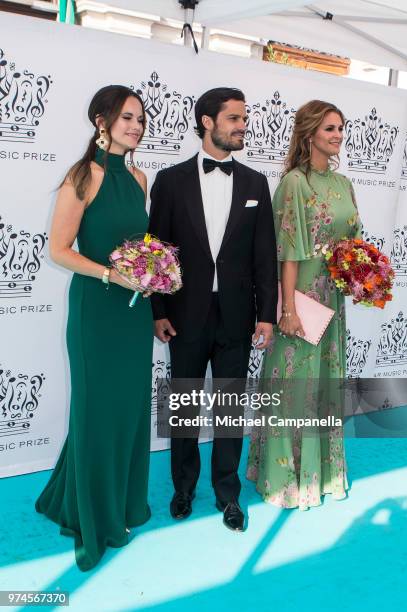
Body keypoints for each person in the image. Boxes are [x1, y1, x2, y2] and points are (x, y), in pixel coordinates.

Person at [149, 87, 278, 532]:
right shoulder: (169, 180)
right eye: (234, 119)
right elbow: (157, 252)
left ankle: (229, 494)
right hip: (185, 313)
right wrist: (158, 310)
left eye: (245, 119)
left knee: (228, 406)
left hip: (238, 314)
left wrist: (267, 314)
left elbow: (265, 254)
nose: (243, 126)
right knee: (183, 403)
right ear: (207, 122)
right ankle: (183, 488)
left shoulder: (256, 183)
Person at [35, 85, 153, 571]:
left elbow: (139, 246)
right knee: (95, 411)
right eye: (127, 117)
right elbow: (59, 249)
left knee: (127, 411)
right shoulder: (84, 175)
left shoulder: (141, 177)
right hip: (96, 311)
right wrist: (110, 274)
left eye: (141, 119)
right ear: (101, 121)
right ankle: (93, 516)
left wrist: (151, 273)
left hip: (133, 312)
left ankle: (122, 503)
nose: (136, 126)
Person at [247, 99, 362, 511]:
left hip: (332, 297)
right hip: (302, 298)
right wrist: (289, 310)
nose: (337, 136)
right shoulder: (295, 183)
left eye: (340, 128)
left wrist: (362, 276)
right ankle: (284, 476)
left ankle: (321, 473)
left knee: (323, 388)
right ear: (310, 133)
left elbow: (352, 246)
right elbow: (287, 254)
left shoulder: (344, 183)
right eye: (330, 128)